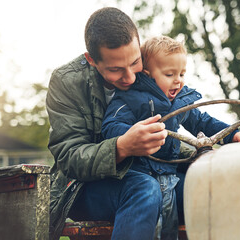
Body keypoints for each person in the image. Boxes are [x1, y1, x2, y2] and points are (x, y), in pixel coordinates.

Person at [46, 7, 194, 240]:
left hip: (153, 170)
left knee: (203, 185)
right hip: (85, 186)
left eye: (135, 63)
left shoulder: (152, 67)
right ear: (91, 60)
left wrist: (201, 153)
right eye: (115, 70)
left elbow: (168, 131)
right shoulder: (66, 82)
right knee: (145, 189)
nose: (131, 77)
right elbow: (69, 158)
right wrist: (121, 146)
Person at [101, 36, 240, 239]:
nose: (178, 80)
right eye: (170, 74)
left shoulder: (180, 101)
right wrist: (131, 135)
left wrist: (231, 133)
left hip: (170, 174)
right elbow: (110, 127)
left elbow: (202, 122)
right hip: (138, 172)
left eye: (181, 73)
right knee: (146, 195)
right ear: (148, 74)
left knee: (206, 191)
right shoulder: (130, 99)